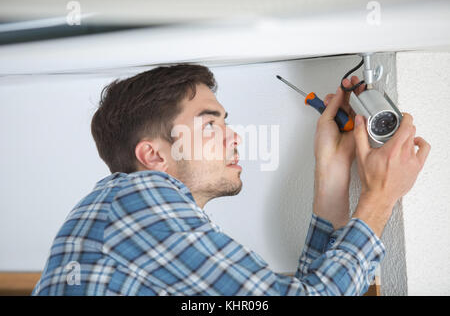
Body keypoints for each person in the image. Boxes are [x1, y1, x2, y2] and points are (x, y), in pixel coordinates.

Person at [32, 64, 430, 296]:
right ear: (153, 155)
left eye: (227, 122)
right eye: (209, 125)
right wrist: (380, 198)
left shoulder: (134, 222)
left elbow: (302, 290)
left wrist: (333, 169)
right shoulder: (136, 199)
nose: (234, 136)